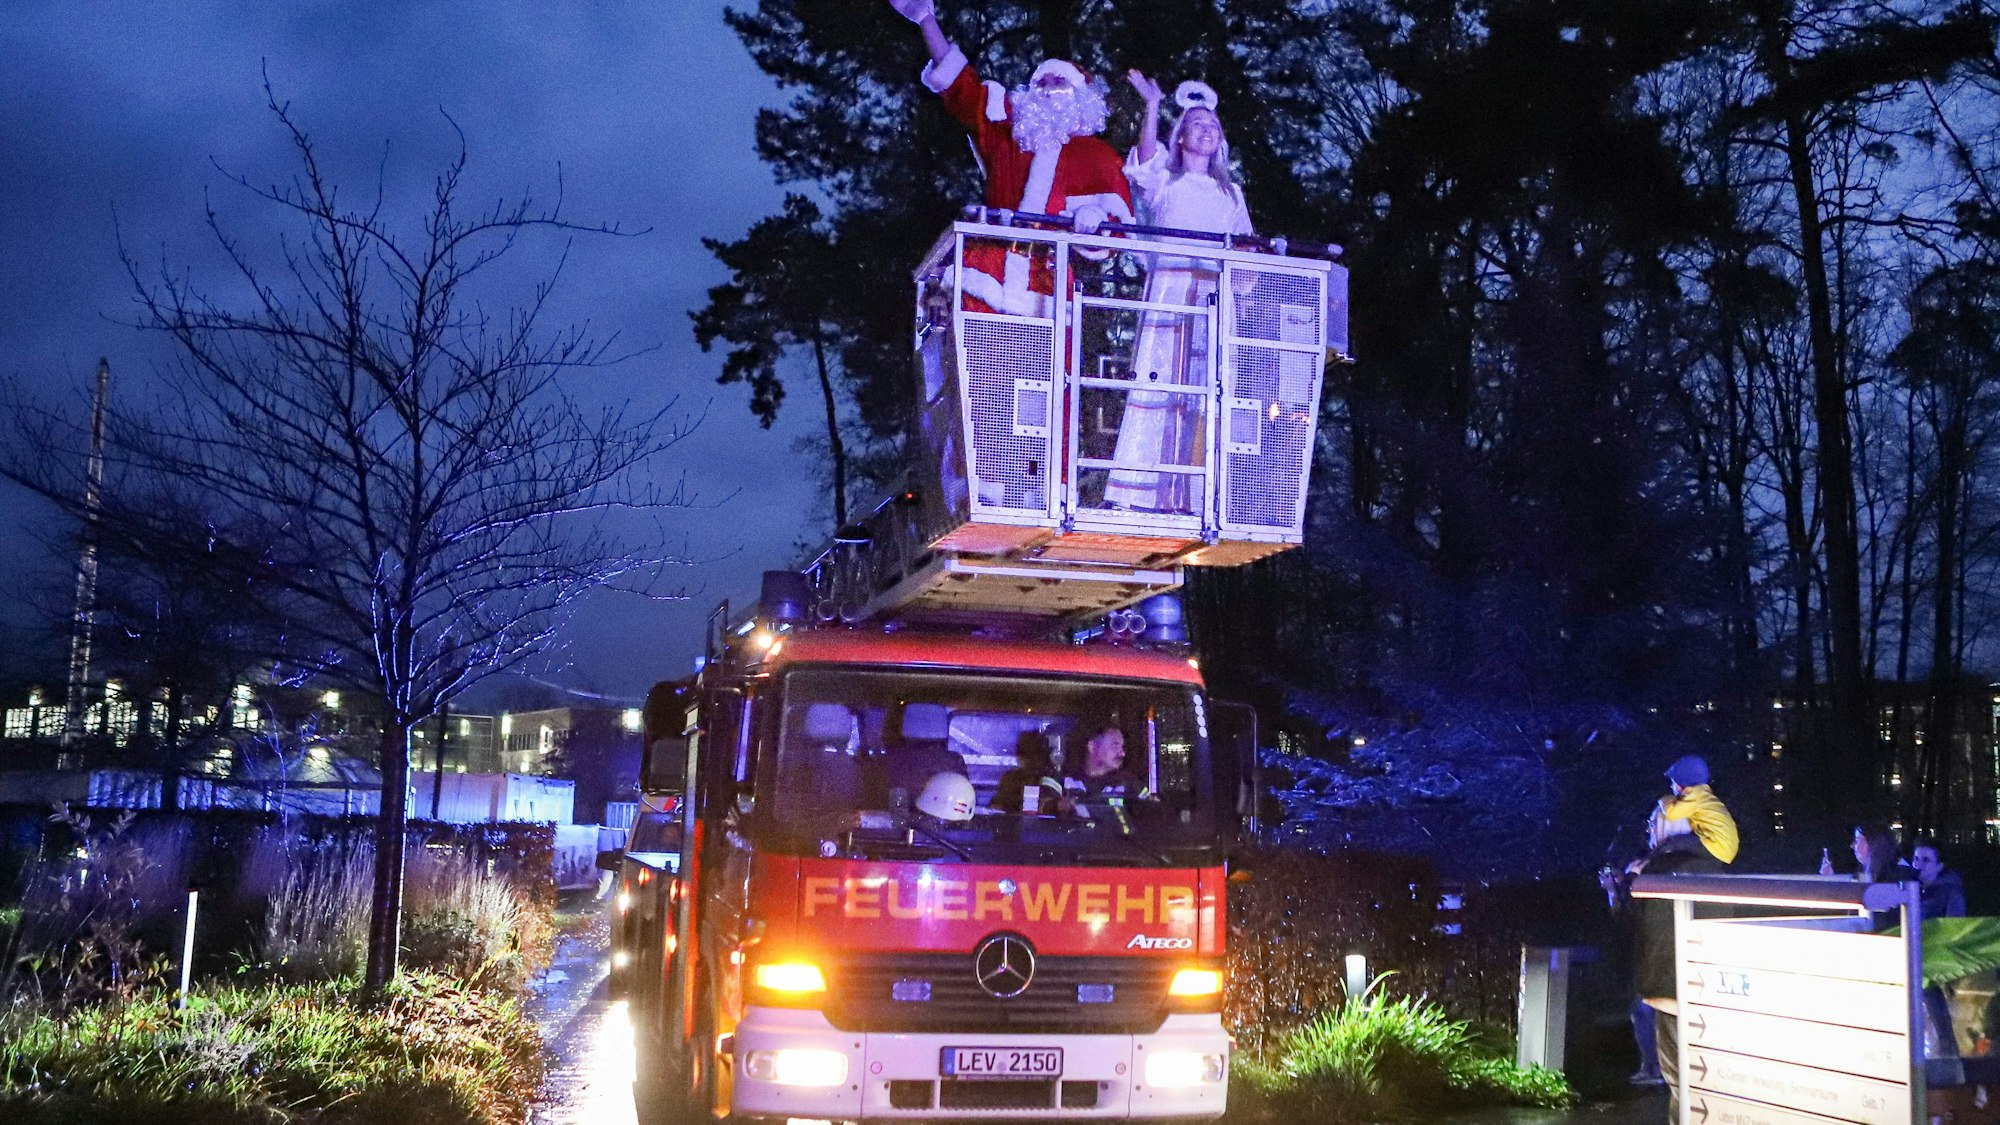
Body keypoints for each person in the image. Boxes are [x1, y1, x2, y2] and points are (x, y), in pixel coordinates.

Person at [890, 0, 1133, 317]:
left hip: (1048, 282)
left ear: (1081, 98)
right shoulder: (1009, 135)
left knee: (1048, 364)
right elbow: (960, 85)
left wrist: (1094, 220)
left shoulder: (1098, 157)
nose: (1046, 90)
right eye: (1040, 83)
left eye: (1059, 82)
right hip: (987, 272)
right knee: (976, 360)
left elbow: (1119, 225)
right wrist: (925, 19)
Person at [1101, 72, 1255, 514]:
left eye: (1214, 126)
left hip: (1212, 296)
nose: (1208, 130)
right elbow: (1145, 158)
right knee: (1159, 383)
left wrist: (1242, 287)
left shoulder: (1231, 191)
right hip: (1170, 288)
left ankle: (1194, 494)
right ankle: (1139, 491)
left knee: (1204, 391)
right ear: (1183, 138)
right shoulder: (1164, 181)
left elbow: (1245, 245)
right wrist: (1151, 104)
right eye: (1198, 124)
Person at [1628, 799, 1728, 1120]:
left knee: (1680, 1084)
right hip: (1707, 990)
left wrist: (1631, 884)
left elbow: (1642, 931)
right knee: (1705, 1084)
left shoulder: (1660, 869)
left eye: (1655, 821)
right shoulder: (1715, 864)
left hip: (1670, 992)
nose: (1650, 829)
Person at [1659, 755, 1739, 864]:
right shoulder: (1704, 795)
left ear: (1681, 783)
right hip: (1723, 848)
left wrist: (1666, 800)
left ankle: (1651, 870)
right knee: (1687, 847)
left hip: (1716, 846)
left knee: (1674, 842)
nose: (1671, 786)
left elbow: (1671, 814)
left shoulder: (1696, 795)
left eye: (1673, 782)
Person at [1059, 719, 1148, 818]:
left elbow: (1154, 809)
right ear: (1091, 747)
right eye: (1114, 746)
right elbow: (1044, 805)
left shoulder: (1129, 784)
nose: (1122, 753)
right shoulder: (1062, 780)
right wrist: (1058, 805)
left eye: (1122, 747)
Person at [992, 730, 1064, 814]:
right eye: (1021, 753)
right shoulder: (1010, 779)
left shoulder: (1050, 779)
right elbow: (996, 806)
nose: (1022, 759)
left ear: (1041, 756)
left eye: (1030, 754)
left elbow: (1050, 805)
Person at [1913, 839, 1967, 918]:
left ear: (1939, 866)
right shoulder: (1911, 889)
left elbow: (1954, 926)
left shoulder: (1951, 894)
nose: (1918, 864)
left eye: (1926, 860)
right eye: (1916, 858)